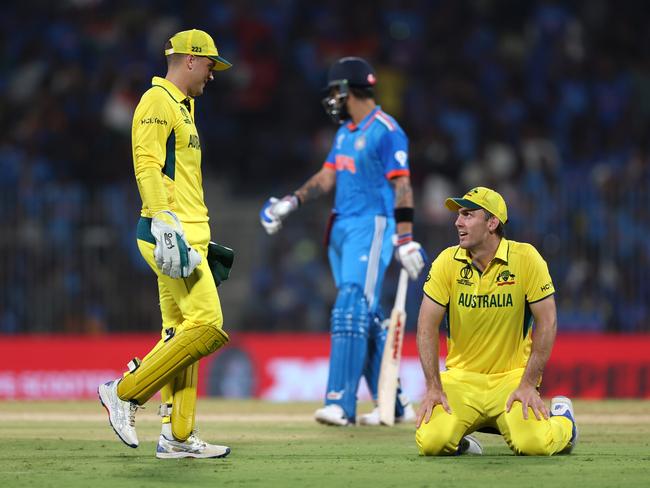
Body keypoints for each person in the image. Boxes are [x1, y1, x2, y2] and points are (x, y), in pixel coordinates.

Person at [260, 56, 425, 426]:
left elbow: (403, 184)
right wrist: (292, 201)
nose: (332, 99)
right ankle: (396, 404)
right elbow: (326, 177)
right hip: (342, 230)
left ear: (349, 90)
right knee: (364, 315)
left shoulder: (386, 129)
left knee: (350, 306)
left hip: (372, 226)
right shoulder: (345, 134)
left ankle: (340, 403)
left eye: (335, 91)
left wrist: (406, 239)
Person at [98, 29, 233, 459]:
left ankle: (177, 436)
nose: (212, 75)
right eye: (210, 65)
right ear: (191, 60)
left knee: (181, 335)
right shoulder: (157, 101)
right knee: (207, 324)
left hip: (187, 235)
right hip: (168, 235)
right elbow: (147, 163)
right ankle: (124, 392)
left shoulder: (183, 106)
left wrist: (191, 232)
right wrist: (164, 224)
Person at [415, 186, 578, 456]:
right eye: (458, 215)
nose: (458, 221)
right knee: (431, 442)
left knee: (534, 445)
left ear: (492, 223)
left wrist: (528, 383)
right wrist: (433, 387)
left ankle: (564, 424)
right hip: (461, 380)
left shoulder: (526, 258)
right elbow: (425, 326)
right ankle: (463, 444)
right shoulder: (446, 261)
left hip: (511, 380)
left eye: (468, 214)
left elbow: (547, 323)